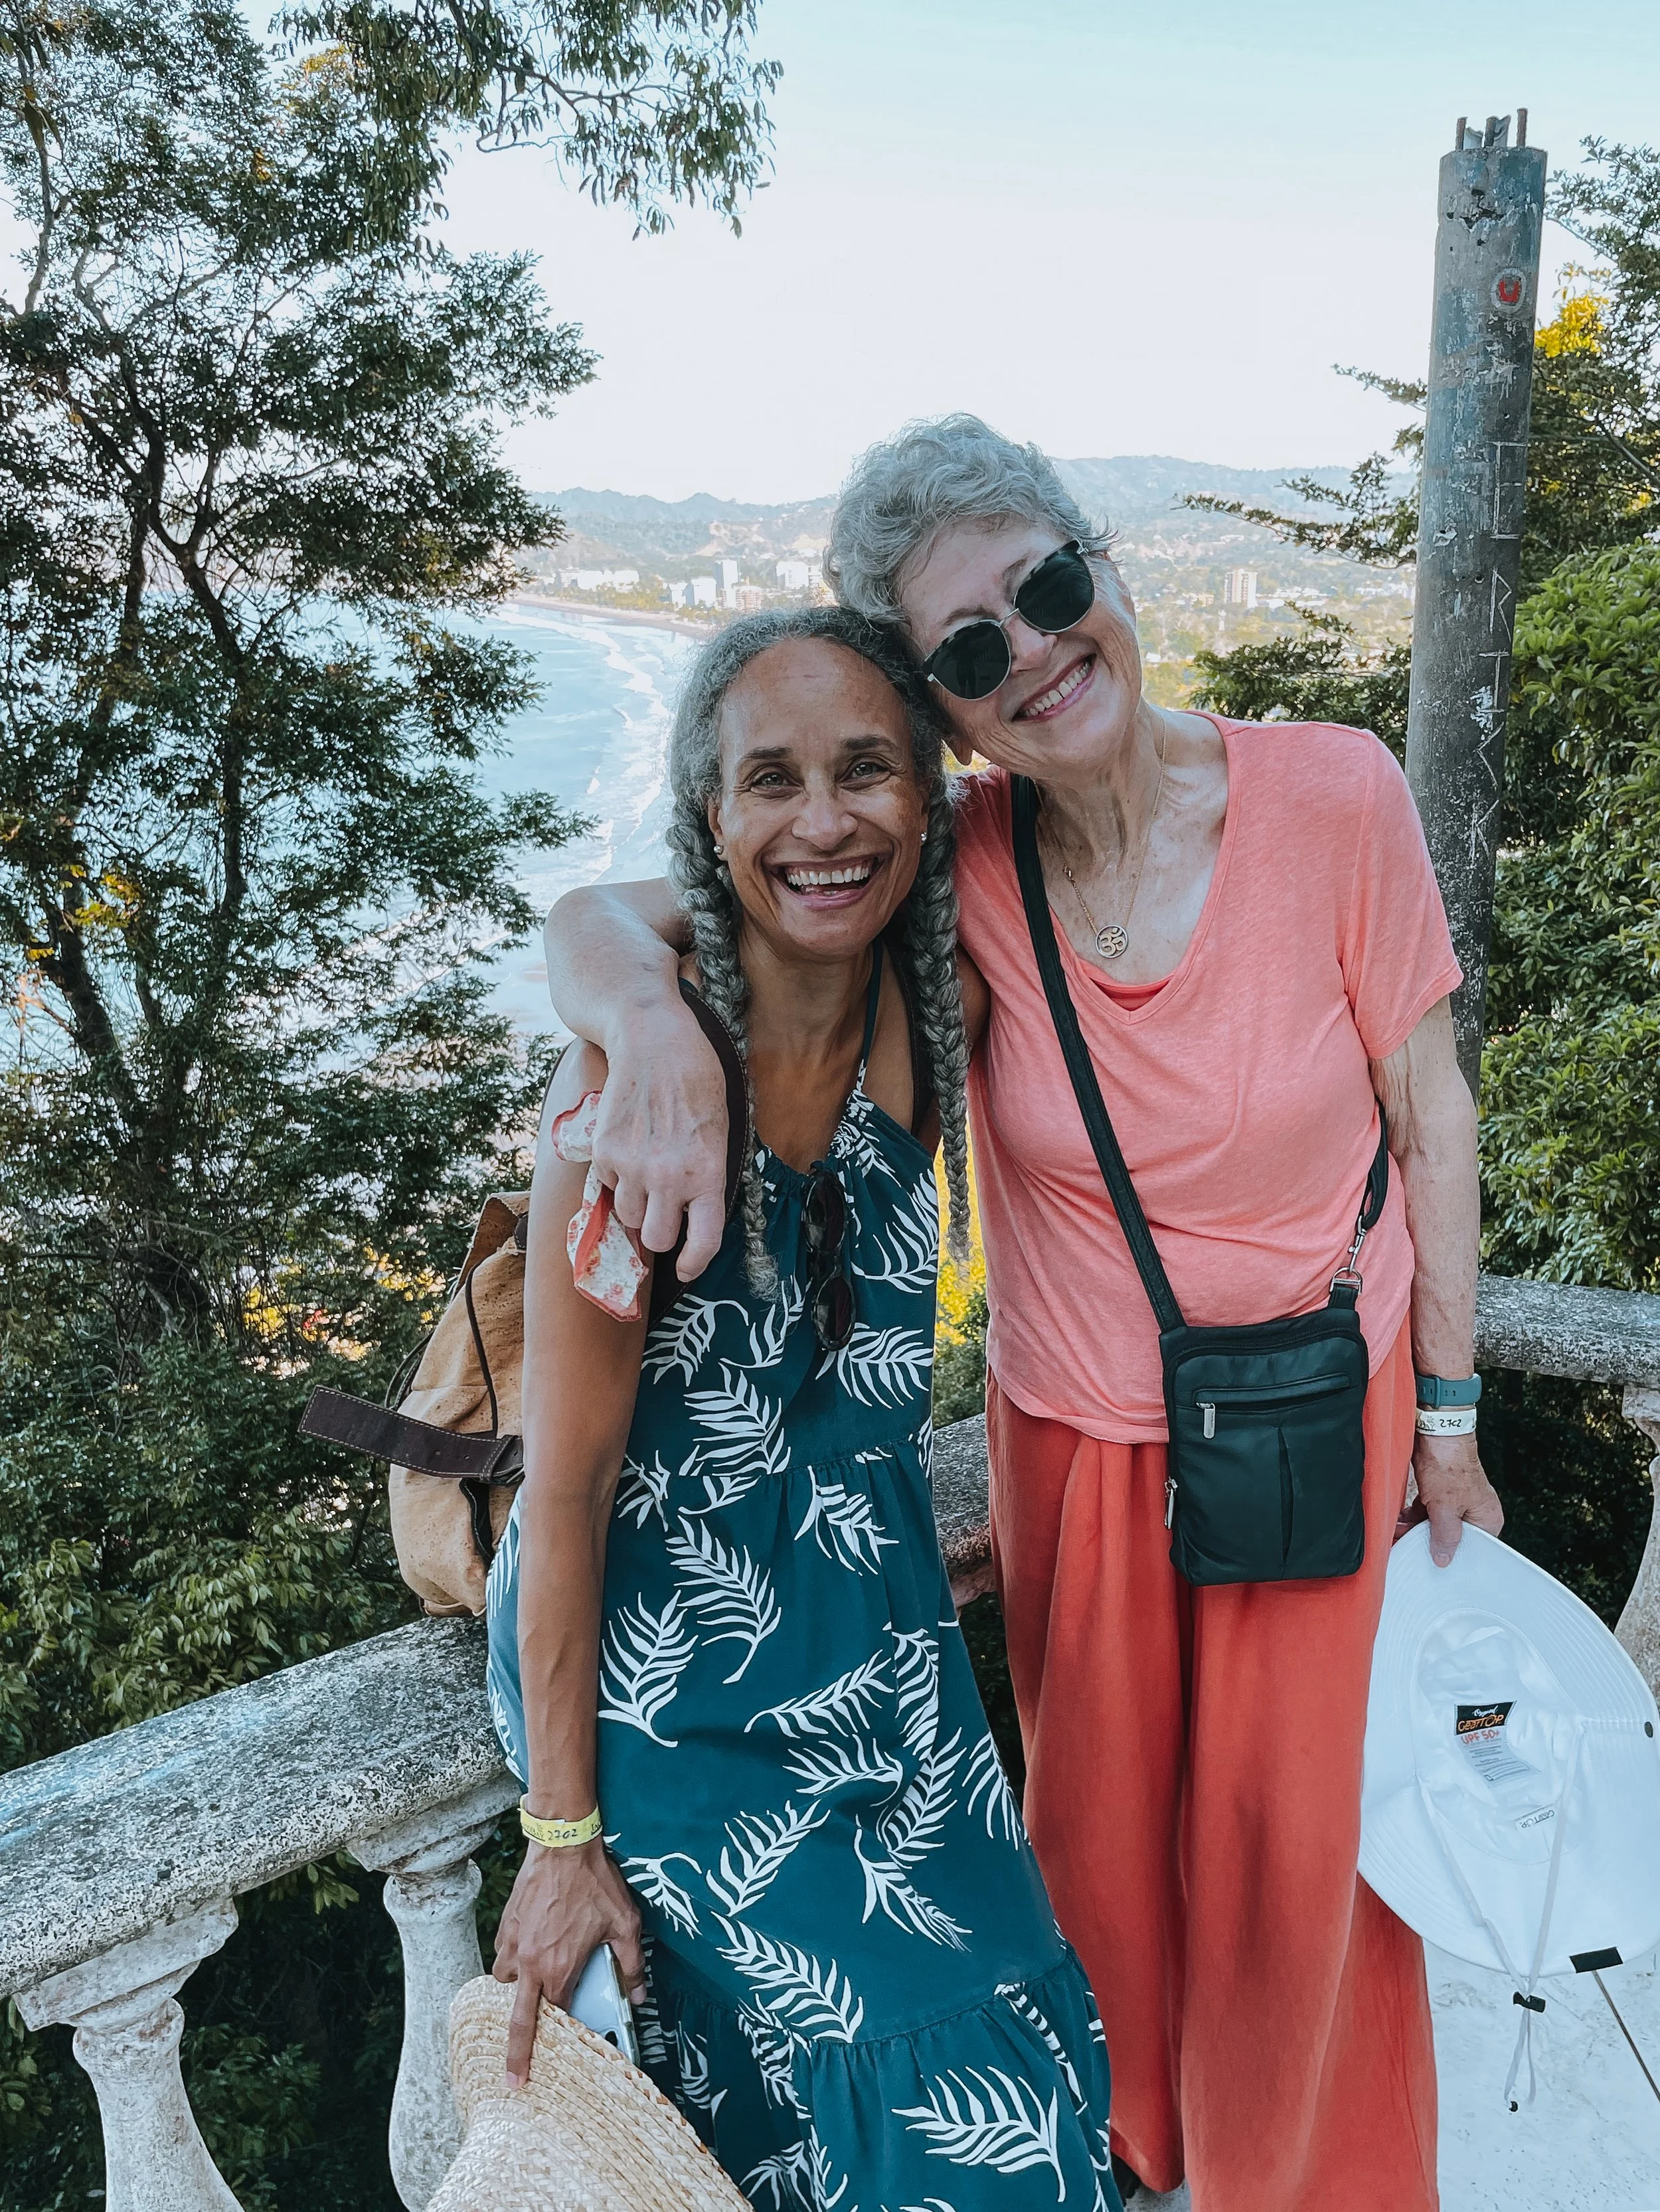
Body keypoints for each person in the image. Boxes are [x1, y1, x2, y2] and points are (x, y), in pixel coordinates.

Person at [537, 418, 1507, 2212]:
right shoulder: (954, 861)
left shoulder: (1332, 797)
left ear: (1101, 563)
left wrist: (1447, 1412)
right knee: (1100, 1864)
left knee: (1302, 1861)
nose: (1034, 651)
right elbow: (622, 910)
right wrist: (648, 1023)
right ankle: (1129, 2171)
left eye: (1048, 586)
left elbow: (1429, 1115)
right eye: (970, 649)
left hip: (1318, 1417)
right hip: (1073, 1449)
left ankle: (1311, 2183)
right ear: (951, 716)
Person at [489, 604, 1125, 2212]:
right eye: (769, 780)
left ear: (926, 794)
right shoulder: (624, 1110)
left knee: (1016, 2026)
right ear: (710, 820)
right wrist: (560, 1836)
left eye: (864, 771)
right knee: (898, 2096)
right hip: (674, 1674)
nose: (822, 821)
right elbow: (564, 1494)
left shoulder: (931, 1004)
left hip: (875, 1628)